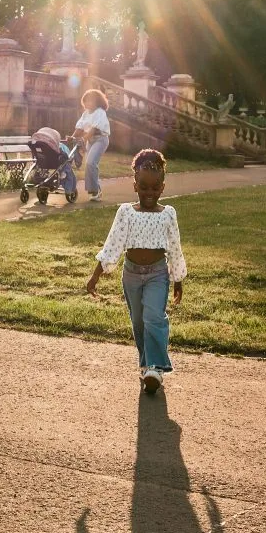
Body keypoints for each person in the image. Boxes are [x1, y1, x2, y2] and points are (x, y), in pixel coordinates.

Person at [85, 149, 186, 394]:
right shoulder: (126, 212)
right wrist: (96, 275)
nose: (148, 193)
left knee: (154, 317)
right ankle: (146, 366)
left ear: (162, 187)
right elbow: (113, 244)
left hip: (157, 274)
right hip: (131, 275)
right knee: (139, 323)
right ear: (135, 185)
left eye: (154, 188)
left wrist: (177, 278)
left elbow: (174, 247)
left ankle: (156, 367)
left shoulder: (168, 214)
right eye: (143, 187)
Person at [72, 88, 111, 201]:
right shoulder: (85, 113)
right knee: (90, 165)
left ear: (97, 101)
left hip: (101, 140)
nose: (87, 104)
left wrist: (83, 139)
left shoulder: (100, 112)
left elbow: (94, 129)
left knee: (91, 163)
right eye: (86, 101)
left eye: (90, 101)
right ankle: (94, 190)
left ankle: (96, 191)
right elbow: (79, 127)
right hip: (91, 141)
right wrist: (73, 137)